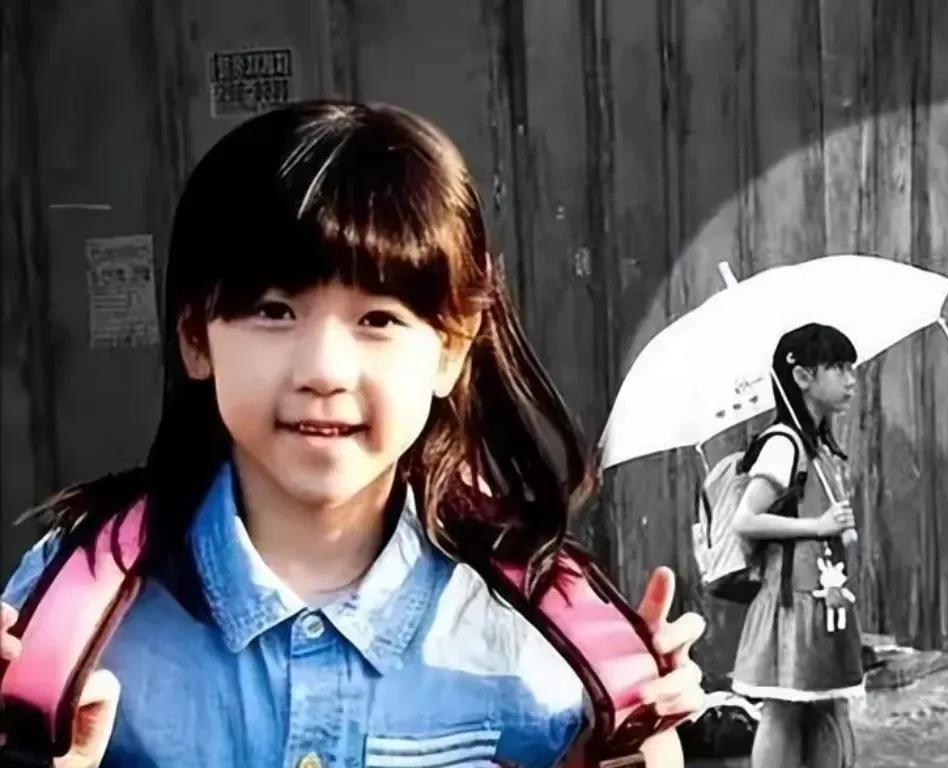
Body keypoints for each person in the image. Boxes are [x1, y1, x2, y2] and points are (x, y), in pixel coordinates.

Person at [0, 101, 705, 768]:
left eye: (379, 320)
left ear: (452, 349)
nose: (324, 372)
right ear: (195, 338)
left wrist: (634, 744)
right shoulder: (72, 609)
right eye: (274, 311)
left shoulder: (553, 630)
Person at [730, 323, 866, 768]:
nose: (850, 380)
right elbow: (746, 519)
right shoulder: (783, 445)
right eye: (838, 368)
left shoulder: (819, 447)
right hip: (791, 602)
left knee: (827, 706)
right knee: (783, 710)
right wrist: (817, 525)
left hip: (821, 598)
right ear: (803, 377)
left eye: (851, 368)